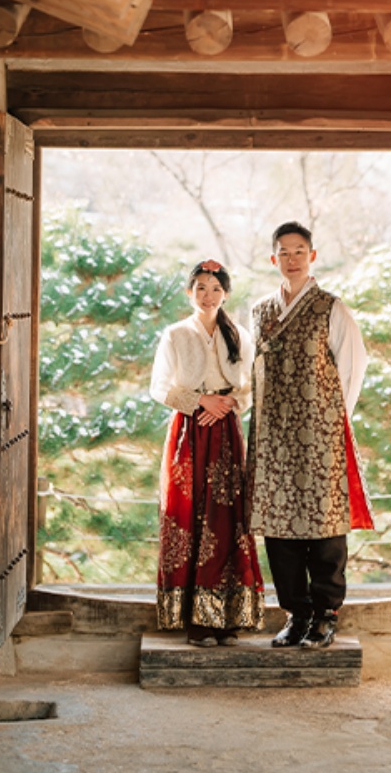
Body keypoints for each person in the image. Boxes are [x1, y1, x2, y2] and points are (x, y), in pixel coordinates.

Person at [247, 221, 373, 650]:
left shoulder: (331, 309)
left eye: (299, 251)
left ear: (312, 255)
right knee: (279, 528)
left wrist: (331, 420)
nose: (292, 259)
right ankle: (295, 614)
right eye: (284, 252)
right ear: (274, 259)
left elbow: (352, 369)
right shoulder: (261, 310)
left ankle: (324, 614)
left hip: (320, 434)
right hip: (273, 436)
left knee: (323, 525)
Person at [151, 259, 265, 647]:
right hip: (188, 432)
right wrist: (200, 401)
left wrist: (227, 403)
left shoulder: (240, 336)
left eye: (215, 289)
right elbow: (158, 387)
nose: (208, 295)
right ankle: (195, 622)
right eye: (200, 288)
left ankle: (226, 617)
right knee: (187, 513)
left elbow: (250, 386)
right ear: (189, 292)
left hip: (227, 433)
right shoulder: (175, 334)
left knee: (227, 518)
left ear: (226, 294)